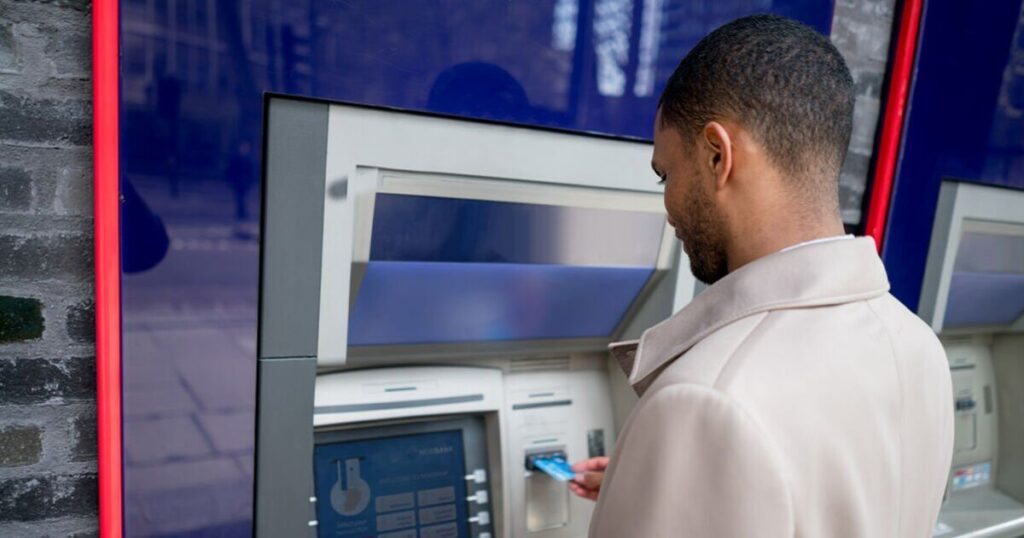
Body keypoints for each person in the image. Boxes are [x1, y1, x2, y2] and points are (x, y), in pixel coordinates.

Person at [569, 14, 954, 537]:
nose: (668, 205)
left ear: (717, 155)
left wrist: (690, 449)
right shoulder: (916, 344)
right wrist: (672, 479)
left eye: (666, 174)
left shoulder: (707, 402)